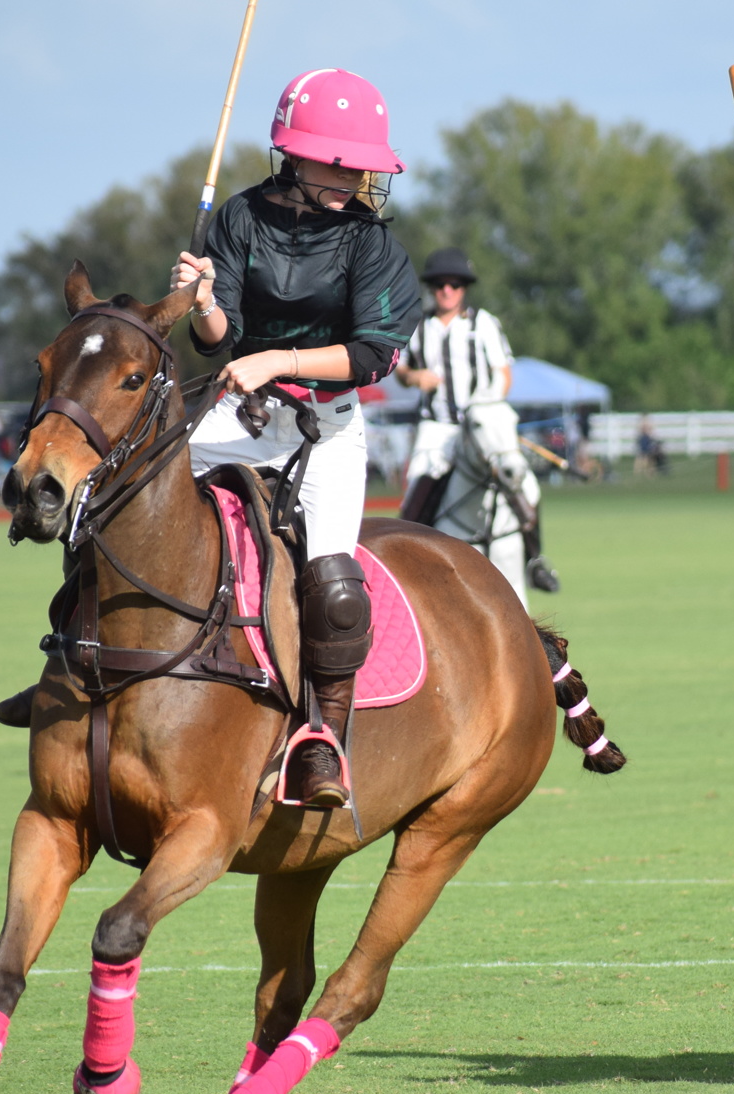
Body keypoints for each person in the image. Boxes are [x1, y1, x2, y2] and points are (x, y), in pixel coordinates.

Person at [148, 68, 421, 808]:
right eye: (338, 161)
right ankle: (75, 668)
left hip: (325, 429)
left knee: (333, 586)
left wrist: (278, 359)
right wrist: (203, 299)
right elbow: (219, 339)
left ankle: (320, 745)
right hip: (240, 418)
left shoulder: (370, 244)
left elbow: (372, 355)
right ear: (294, 155)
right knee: (129, 508)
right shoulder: (240, 219)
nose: (354, 176)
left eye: (361, 164)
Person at [395, 247, 560, 599]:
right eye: (440, 284)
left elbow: (504, 373)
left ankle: (535, 561)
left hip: (481, 421)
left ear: (464, 287)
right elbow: (402, 371)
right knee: (415, 491)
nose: (447, 290)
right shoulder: (418, 326)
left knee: (526, 485)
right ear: (432, 287)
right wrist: (413, 378)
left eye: (454, 284)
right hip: (437, 427)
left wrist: (485, 407)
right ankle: (410, 564)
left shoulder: (483, 323)